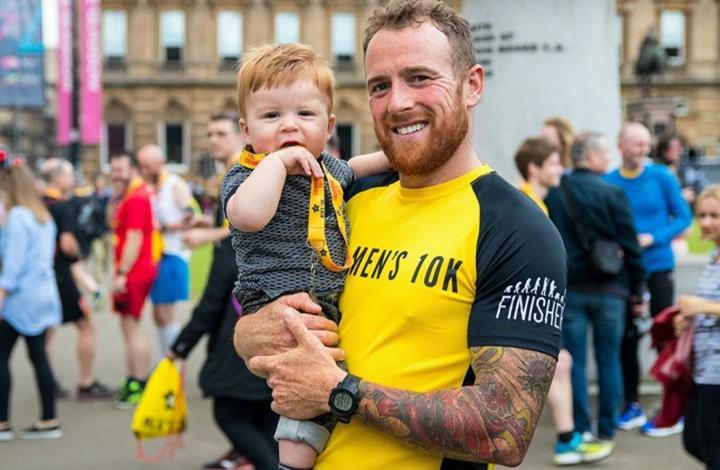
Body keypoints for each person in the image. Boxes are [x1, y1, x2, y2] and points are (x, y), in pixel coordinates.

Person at [233, 2, 567, 469]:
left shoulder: (517, 229)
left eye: (419, 78)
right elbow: (259, 318)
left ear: (472, 85)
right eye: (379, 86)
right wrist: (250, 333)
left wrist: (339, 392)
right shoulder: (341, 198)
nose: (398, 102)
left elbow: (505, 429)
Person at [222, 42, 391, 470]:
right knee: (301, 391)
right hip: (277, 302)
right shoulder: (247, 174)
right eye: (271, 116)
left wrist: (404, 157)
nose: (289, 127)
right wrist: (277, 164)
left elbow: (360, 166)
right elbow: (248, 216)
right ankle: (290, 464)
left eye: (305, 115)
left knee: (331, 383)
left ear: (329, 125)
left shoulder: (330, 169)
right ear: (246, 129)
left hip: (326, 303)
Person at [170, 112, 280, 470]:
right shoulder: (232, 174)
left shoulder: (248, 172)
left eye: (219, 133)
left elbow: (247, 230)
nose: (211, 140)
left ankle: (252, 456)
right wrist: (210, 225)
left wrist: (210, 236)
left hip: (247, 302)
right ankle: (243, 455)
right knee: (262, 415)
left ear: (241, 135)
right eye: (208, 133)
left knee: (237, 409)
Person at [514, 137, 613, 465]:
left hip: (529, 309)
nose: (562, 169)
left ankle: (568, 439)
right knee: (560, 365)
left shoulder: (538, 203)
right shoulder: (523, 203)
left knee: (562, 364)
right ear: (535, 169)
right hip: (520, 310)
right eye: (555, 163)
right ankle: (567, 440)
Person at [546, 132, 647, 453]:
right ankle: (606, 430)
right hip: (610, 290)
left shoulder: (556, 195)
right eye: (604, 154)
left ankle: (578, 428)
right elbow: (631, 247)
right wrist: (638, 291)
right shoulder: (612, 193)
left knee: (572, 362)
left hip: (570, 289)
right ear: (590, 157)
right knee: (609, 360)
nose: (608, 160)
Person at [605, 122, 692, 436]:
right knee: (627, 338)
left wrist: (654, 237)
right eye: (637, 145)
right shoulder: (609, 182)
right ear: (621, 145)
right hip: (623, 273)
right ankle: (631, 404)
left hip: (658, 267)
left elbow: (683, 217)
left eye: (646, 145)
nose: (643, 151)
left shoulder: (662, 177)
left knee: (664, 335)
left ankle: (673, 406)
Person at [39, 159, 112, 401]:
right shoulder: (63, 207)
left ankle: (47, 382)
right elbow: (68, 246)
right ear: (57, 178)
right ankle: (86, 382)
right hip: (62, 277)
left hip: (43, 276)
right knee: (86, 326)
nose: (73, 180)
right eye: (69, 175)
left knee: (46, 333)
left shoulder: (38, 205)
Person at [0, 165, 62, 440]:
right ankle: (49, 418)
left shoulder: (17, 217)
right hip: (44, 294)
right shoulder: (43, 217)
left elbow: (12, 268)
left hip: (20, 299)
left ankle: (1, 421)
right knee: (40, 358)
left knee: (1, 359)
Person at [674, 185, 720, 469]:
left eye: (715, 215)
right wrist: (687, 318)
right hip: (704, 368)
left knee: (712, 448)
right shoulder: (713, 257)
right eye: (701, 215)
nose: (705, 222)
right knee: (694, 440)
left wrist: (702, 307)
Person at [108, 151, 157, 409]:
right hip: (133, 269)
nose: (115, 174)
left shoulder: (137, 197)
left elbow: (135, 238)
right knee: (128, 327)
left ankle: (139, 381)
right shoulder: (128, 195)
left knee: (132, 327)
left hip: (135, 270)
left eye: (120, 169)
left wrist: (123, 274)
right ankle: (133, 379)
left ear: (134, 169)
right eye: (113, 169)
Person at [137, 144, 194, 356]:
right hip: (157, 256)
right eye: (141, 165)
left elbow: (192, 213)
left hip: (173, 256)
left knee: (165, 314)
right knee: (158, 314)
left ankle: (174, 362)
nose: (143, 170)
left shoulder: (175, 184)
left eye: (147, 165)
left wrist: (166, 226)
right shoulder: (153, 187)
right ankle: (166, 360)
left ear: (160, 163)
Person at [655, 134, 708, 209]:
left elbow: (703, 188)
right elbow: (655, 197)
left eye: (680, 147)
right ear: (664, 151)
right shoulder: (657, 171)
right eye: (674, 148)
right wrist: (680, 196)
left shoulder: (687, 170)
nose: (680, 151)